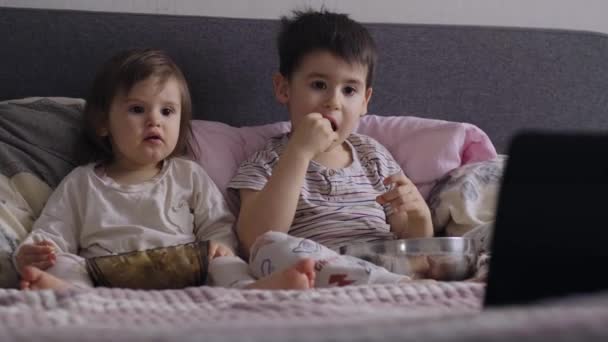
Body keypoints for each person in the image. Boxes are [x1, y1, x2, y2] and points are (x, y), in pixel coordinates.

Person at [13, 48, 315, 291]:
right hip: (104, 274)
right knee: (65, 264)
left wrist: (221, 247)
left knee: (225, 264)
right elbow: (51, 232)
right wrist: (34, 253)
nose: (154, 121)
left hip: (184, 269)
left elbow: (218, 224)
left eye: (167, 111)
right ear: (103, 123)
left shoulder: (188, 175)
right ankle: (72, 295)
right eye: (137, 109)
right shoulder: (82, 182)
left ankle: (250, 292)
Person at [228, 9, 434, 286]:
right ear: (283, 88)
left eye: (349, 90)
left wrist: (419, 216)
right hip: (317, 272)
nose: (333, 102)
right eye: (319, 85)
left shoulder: (374, 156)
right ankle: (393, 285)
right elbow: (255, 240)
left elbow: (412, 245)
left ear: (365, 101)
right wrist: (299, 152)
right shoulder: (265, 162)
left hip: (383, 263)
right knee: (274, 248)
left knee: (476, 251)